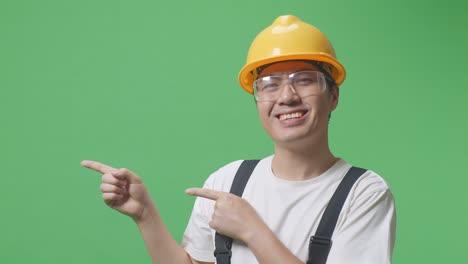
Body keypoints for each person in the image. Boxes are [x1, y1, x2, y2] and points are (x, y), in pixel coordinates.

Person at [82, 15, 396, 264]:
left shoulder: (364, 193)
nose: (287, 96)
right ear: (257, 99)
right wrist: (145, 215)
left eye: (304, 80)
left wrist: (252, 230)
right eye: (270, 85)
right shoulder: (227, 182)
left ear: (334, 95)